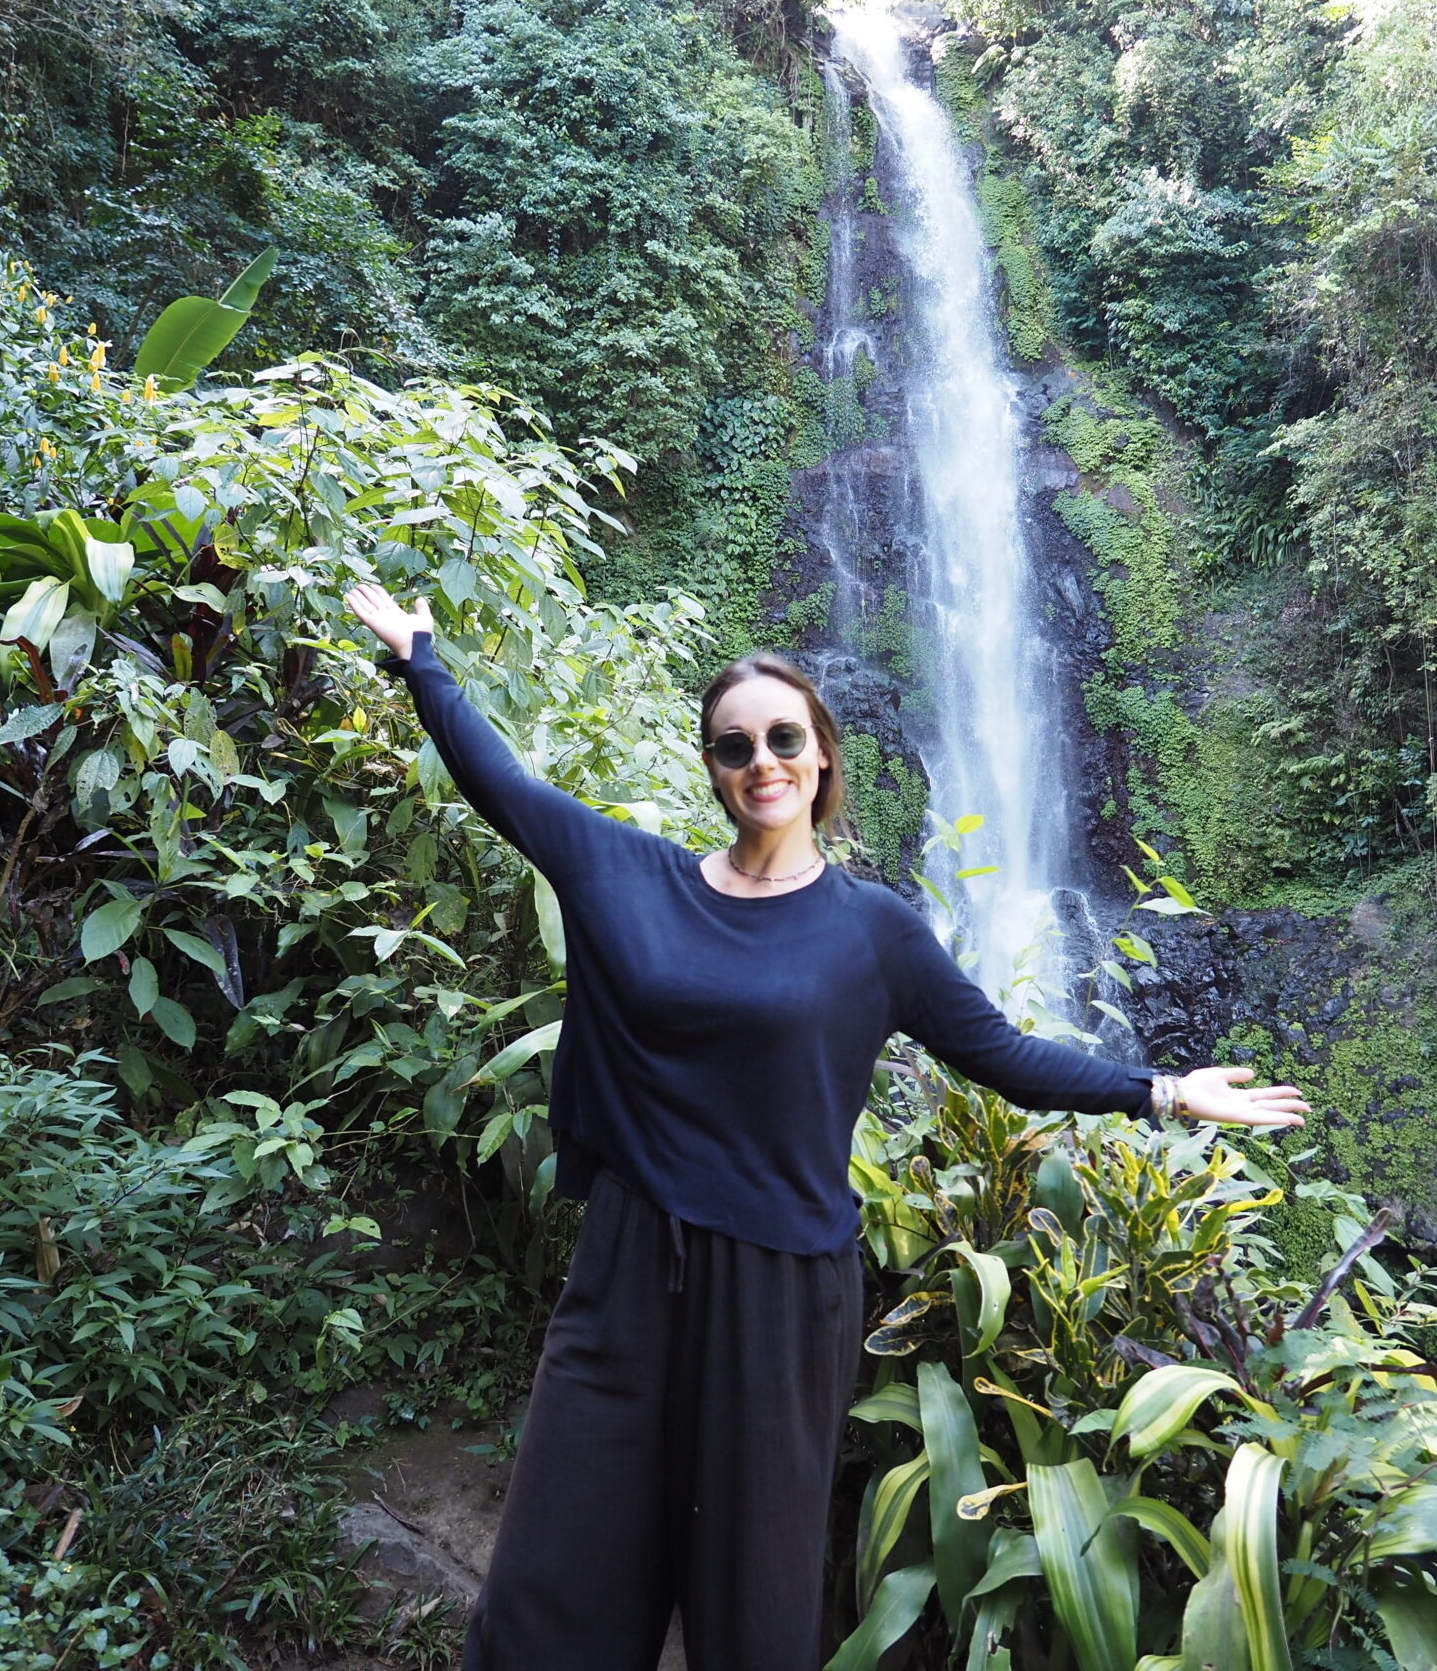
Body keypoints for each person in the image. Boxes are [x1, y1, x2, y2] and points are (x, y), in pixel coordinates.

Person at [343, 582, 1311, 1671]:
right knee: (555, 1569)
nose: (762, 760)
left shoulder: (874, 933)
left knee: (751, 1595)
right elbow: (502, 785)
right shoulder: (631, 876)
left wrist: (1166, 1092)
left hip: (779, 1292)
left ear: (820, 756)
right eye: (734, 744)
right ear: (711, 768)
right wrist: (421, 658)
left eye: (783, 738)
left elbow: (1000, 1056)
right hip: (627, 1268)